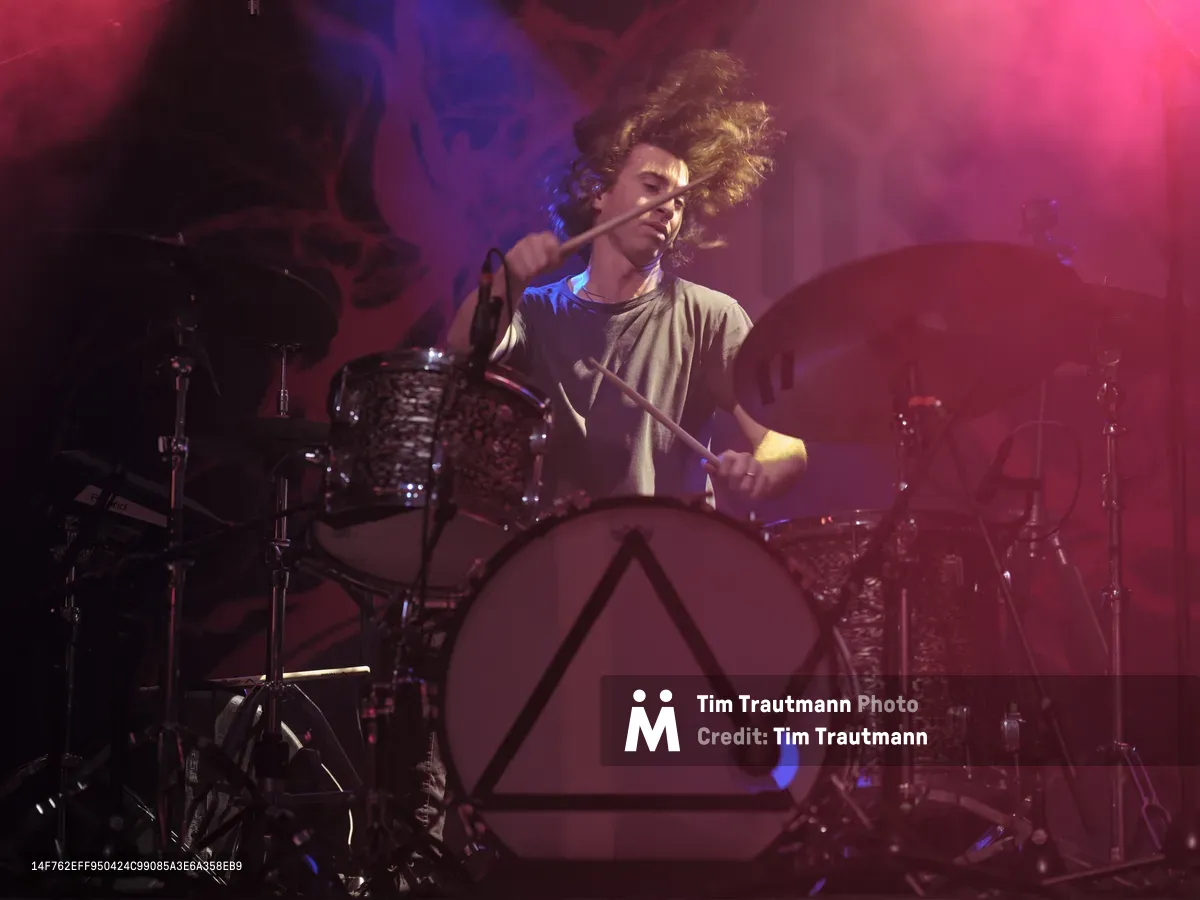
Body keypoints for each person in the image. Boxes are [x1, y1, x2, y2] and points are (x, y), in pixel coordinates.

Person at [397, 49, 808, 892]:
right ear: (599, 192)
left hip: (668, 591)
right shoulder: (539, 311)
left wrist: (764, 468)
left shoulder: (708, 317)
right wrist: (508, 275)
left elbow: (788, 440)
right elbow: (451, 364)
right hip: (546, 586)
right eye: (651, 186)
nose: (667, 208)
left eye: (680, 197)